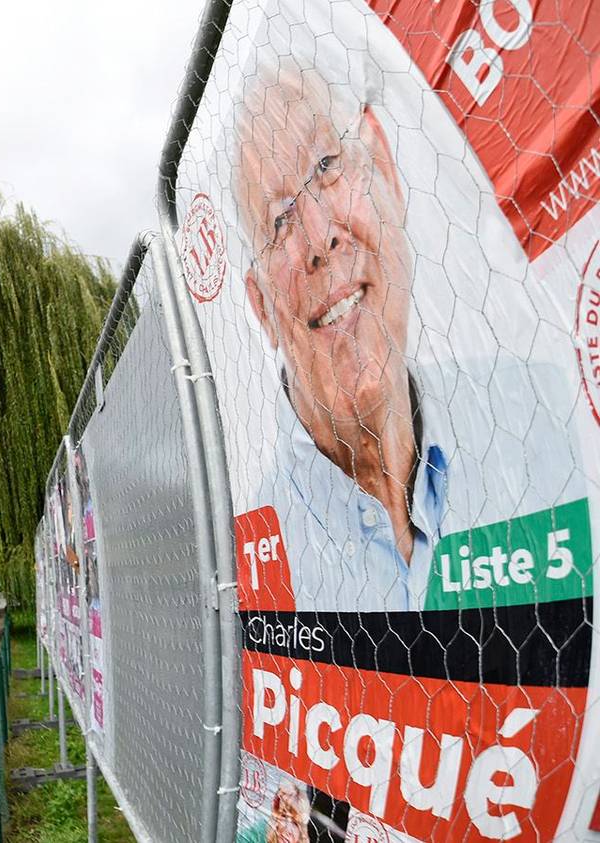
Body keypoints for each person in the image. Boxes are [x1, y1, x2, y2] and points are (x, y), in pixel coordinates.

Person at [234, 54, 581, 611]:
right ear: (261, 308)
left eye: (326, 165)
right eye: (279, 222)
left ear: (387, 175)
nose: (319, 238)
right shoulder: (250, 563)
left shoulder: (542, 416)